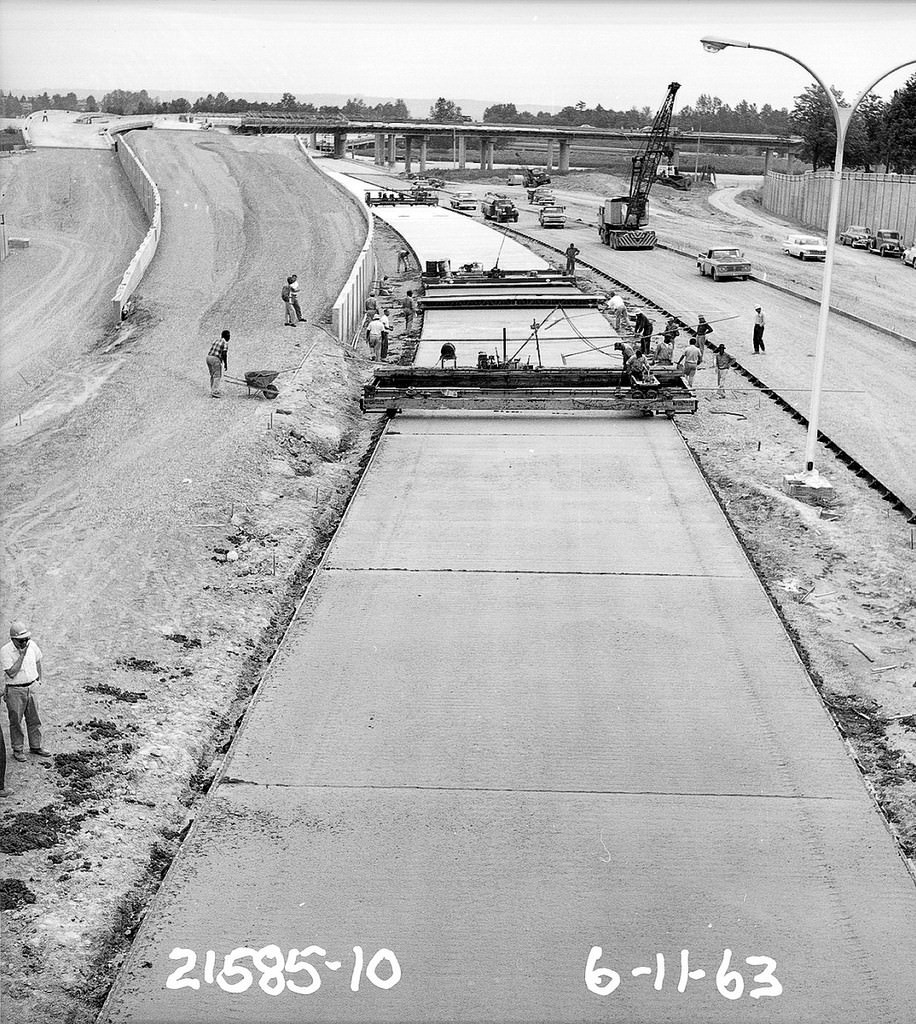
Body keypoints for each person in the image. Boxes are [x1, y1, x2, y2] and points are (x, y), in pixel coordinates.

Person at [2, 621, 50, 762]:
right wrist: (21, 655)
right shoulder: (5, 651)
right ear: (13, 639)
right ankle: (18, 749)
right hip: (15, 690)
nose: (25, 642)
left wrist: (38, 680)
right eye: (21, 640)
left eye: (26, 639)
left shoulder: (32, 645)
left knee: (35, 719)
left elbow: (38, 661)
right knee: (16, 721)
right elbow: (11, 672)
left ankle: (36, 746)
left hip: (32, 687)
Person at [207, 329, 229, 398]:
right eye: (229, 336)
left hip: (208, 357)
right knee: (217, 376)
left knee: (212, 375)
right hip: (215, 359)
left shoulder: (216, 340)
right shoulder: (225, 343)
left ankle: (212, 389)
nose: (229, 338)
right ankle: (215, 391)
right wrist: (225, 364)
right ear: (226, 336)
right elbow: (224, 354)